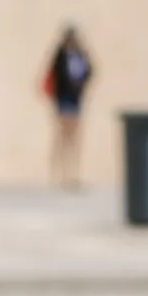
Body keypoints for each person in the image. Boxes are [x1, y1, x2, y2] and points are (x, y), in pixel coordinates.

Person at [43, 25, 93, 188]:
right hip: (64, 100)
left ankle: (74, 175)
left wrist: (80, 85)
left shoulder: (80, 55)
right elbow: (57, 76)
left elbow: (91, 70)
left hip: (76, 101)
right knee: (62, 138)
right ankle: (60, 175)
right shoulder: (61, 55)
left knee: (74, 139)